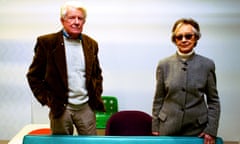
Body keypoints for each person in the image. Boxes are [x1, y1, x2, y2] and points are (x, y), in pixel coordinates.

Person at [26, 1, 105, 135]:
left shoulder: (91, 44)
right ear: (62, 20)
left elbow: (97, 74)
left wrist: (96, 94)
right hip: (61, 108)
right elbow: (34, 76)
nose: (76, 22)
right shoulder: (47, 43)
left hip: (86, 107)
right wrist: (48, 100)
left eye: (80, 18)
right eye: (71, 18)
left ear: (84, 22)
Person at [152, 18, 220, 144]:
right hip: (167, 128)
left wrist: (211, 129)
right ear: (174, 40)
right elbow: (158, 99)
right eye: (179, 37)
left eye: (188, 36)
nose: (184, 40)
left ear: (196, 38)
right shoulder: (164, 64)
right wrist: (155, 127)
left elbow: (214, 101)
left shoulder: (207, 65)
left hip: (197, 129)